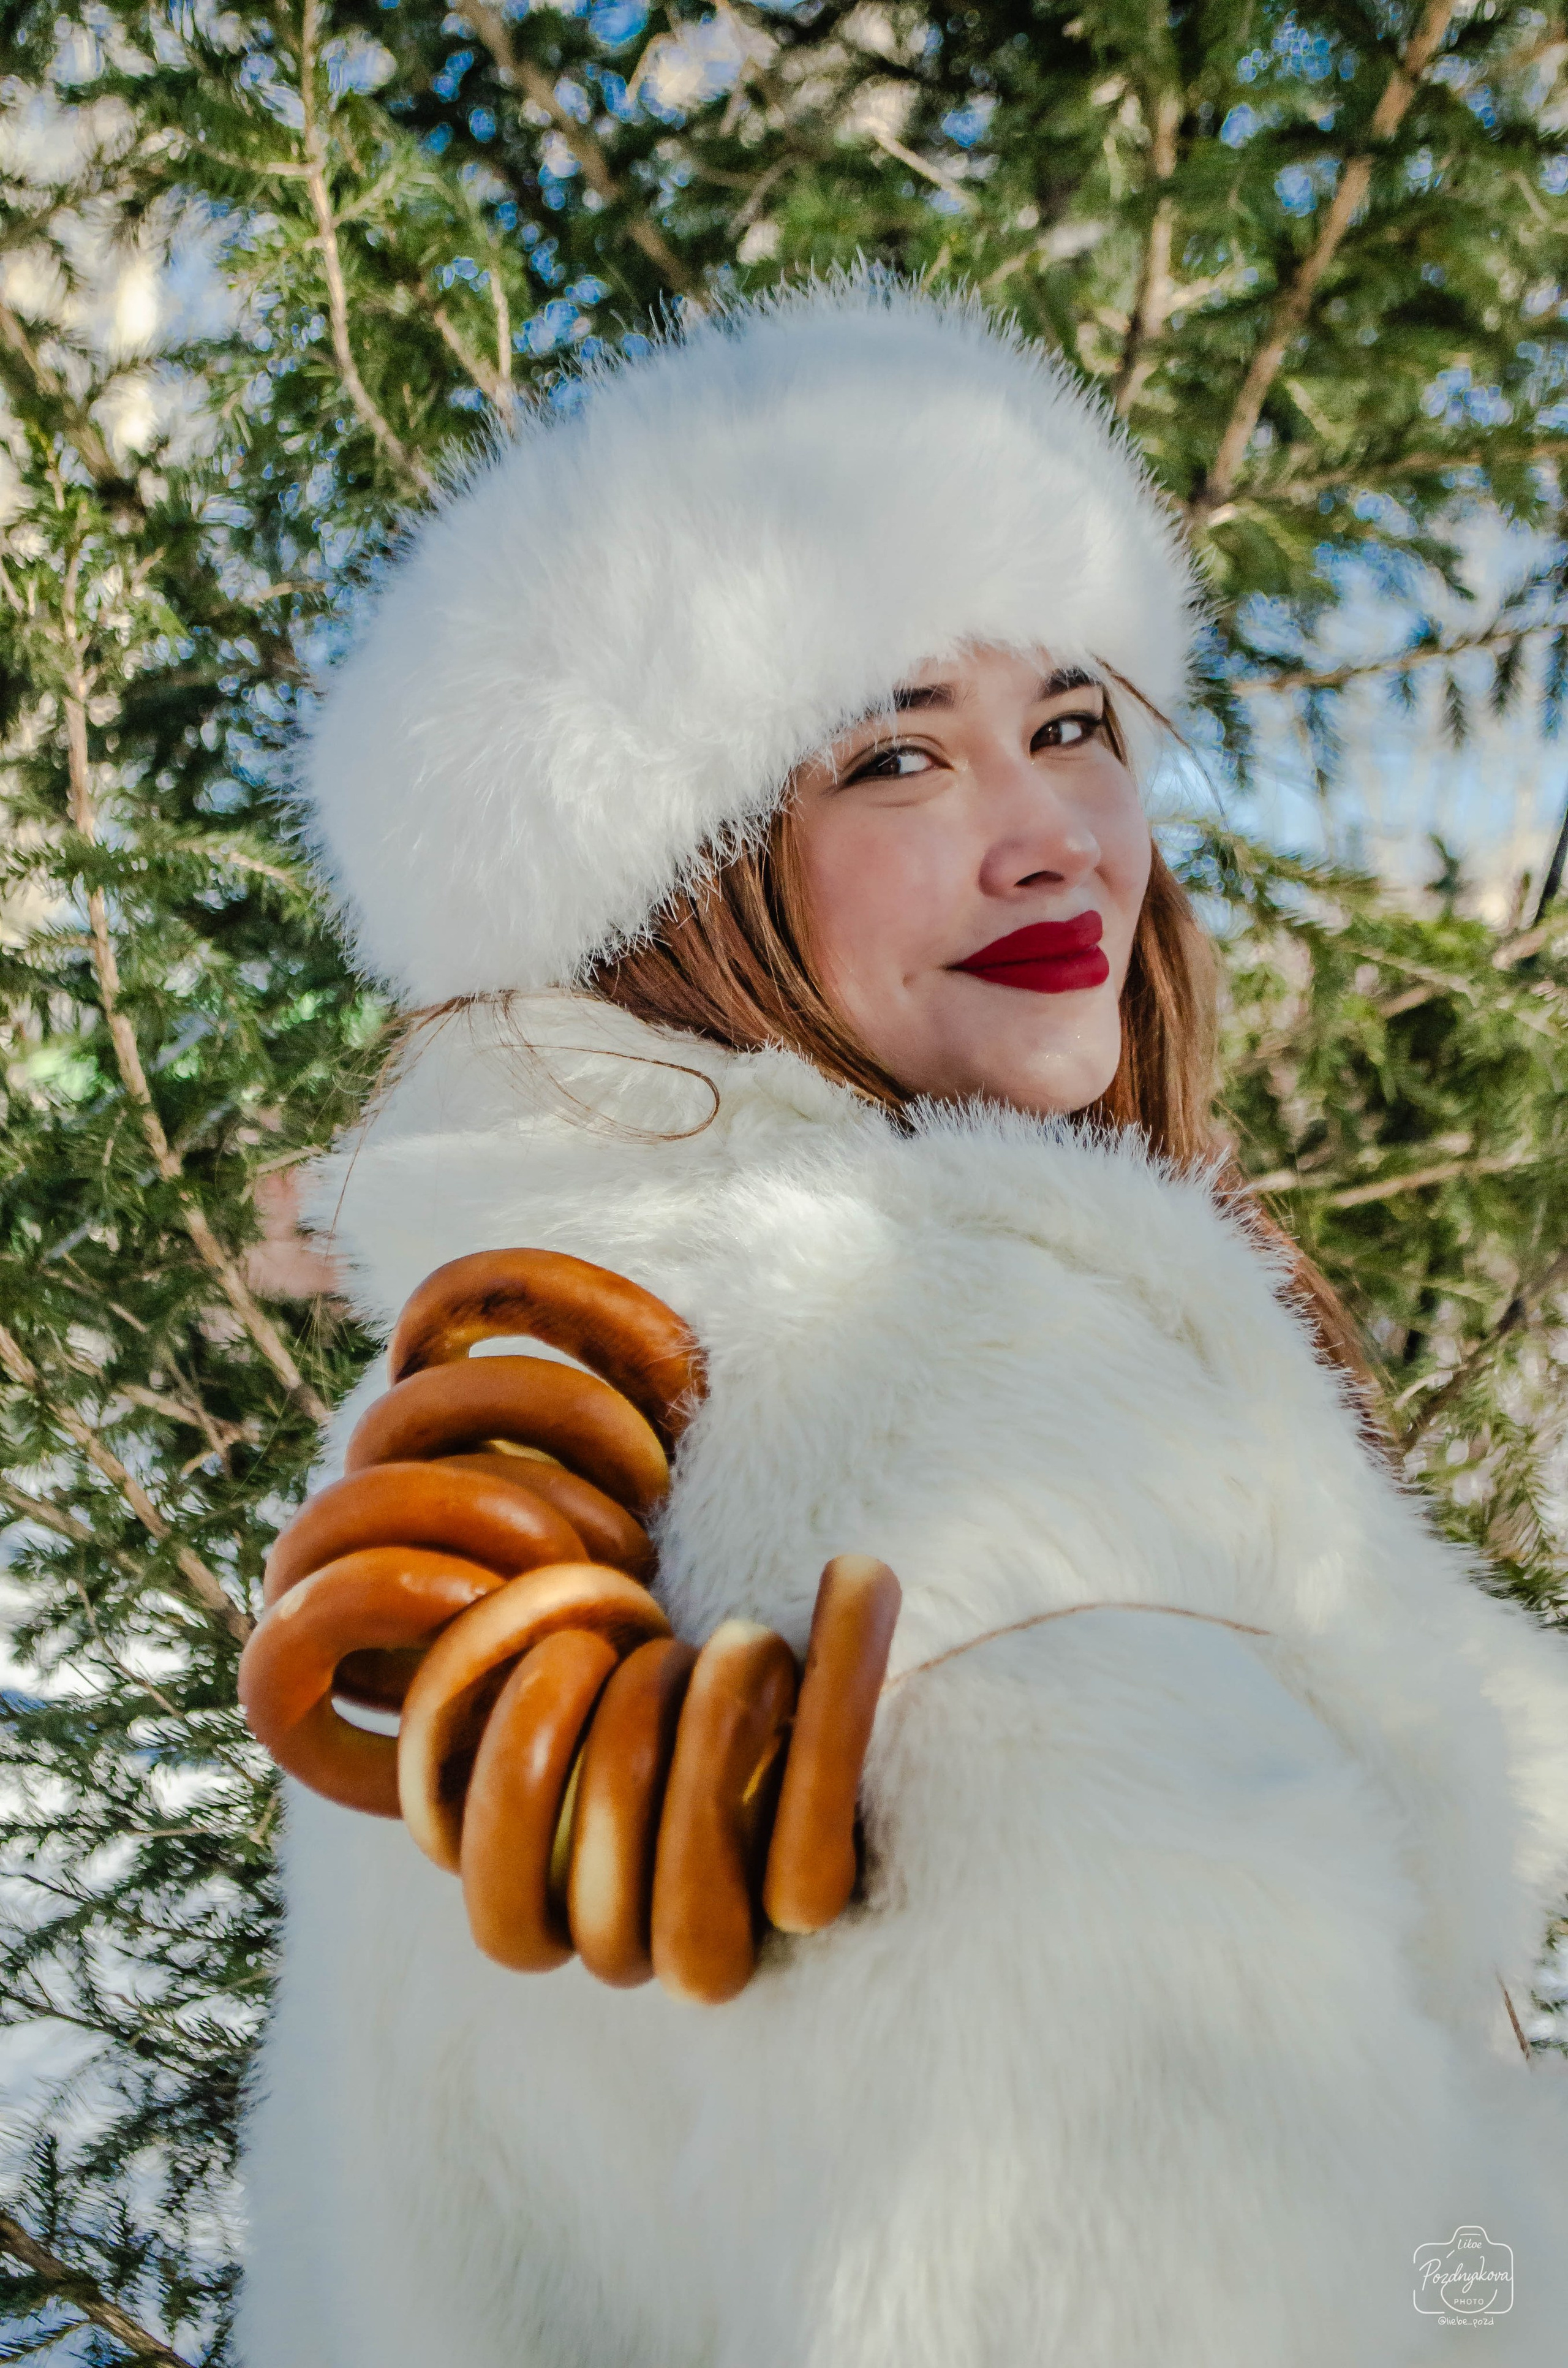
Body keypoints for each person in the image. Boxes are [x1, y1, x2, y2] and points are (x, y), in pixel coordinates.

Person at [239, 279, 1568, 2367]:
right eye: (892, 754)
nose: (1049, 829)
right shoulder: (938, 1406)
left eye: (1071, 723)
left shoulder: (509, 1406)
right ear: (683, 880)